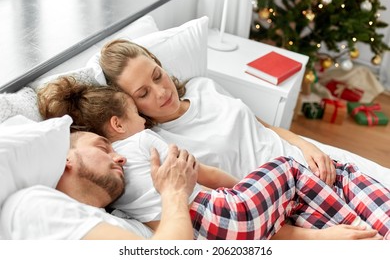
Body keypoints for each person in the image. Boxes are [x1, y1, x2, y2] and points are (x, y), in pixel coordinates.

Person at [98, 39, 390, 239]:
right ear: (129, 105)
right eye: (143, 93)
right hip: (294, 206)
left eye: (157, 76)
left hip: (329, 172)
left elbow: (261, 125)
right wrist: (318, 238)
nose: (161, 92)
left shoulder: (203, 87)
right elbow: (238, 216)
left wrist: (306, 145)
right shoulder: (166, 149)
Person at [36, 76, 389, 240]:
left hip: (212, 231)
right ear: (118, 123)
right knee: (289, 170)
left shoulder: (112, 195)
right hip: (220, 211)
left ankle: (360, 235)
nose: (144, 121)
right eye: (137, 109)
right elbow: (212, 177)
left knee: (300, 194)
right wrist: (247, 186)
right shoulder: (145, 142)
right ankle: (368, 233)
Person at [1, 131, 199, 240]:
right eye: (103, 148)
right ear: (65, 158)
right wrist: (175, 191)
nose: (121, 158)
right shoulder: (33, 206)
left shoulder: (124, 221)